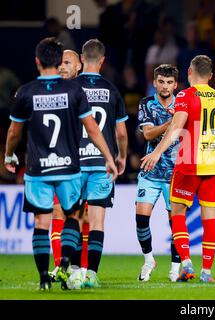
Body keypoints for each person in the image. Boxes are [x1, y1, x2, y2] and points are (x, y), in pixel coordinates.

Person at [4, 37, 117, 290]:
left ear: (36, 61)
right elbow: (93, 129)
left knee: (41, 222)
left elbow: (13, 132)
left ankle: (45, 277)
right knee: (74, 216)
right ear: (58, 63)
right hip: (68, 166)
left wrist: (9, 155)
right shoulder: (73, 91)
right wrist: (110, 157)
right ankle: (68, 261)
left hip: (37, 168)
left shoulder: (25, 92)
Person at [141, 55, 215, 283]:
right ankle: (206, 272)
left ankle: (186, 262)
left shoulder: (186, 95)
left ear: (189, 72)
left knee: (177, 214)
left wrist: (156, 153)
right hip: (212, 165)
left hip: (188, 163)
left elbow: (177, 128)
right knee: (210, 221)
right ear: (210, 75)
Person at [66, 39, 128, 289]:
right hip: (103, 163)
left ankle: (70, 268)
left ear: (82, 59)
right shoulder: (112, 90)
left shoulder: (70, 87)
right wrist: (121, 157)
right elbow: (121, 133)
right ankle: (91, 273)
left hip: (74, 161)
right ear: (102, 60)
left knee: (74, 216)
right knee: (97, 220)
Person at [135, 64, 181, 282]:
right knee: (141, 219)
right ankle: (148, 260)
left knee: (176, 224)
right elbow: (148, 134)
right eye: (161, 82)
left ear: (176, 85)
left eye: (169, 82)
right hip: (150, 171)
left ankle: (175, 267)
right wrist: (171, 122)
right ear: (155, 83)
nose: (165, 86)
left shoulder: (182, 103)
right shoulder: (146, 103)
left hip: (175, 173)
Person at [50, 49, 88, 281]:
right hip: (55, 163)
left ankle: (80, 268)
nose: (62, 66)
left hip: (83, 163)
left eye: (67, 62)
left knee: (81, 217)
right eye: (59, 63)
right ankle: (60, 266)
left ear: (79, 67)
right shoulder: (47, 91)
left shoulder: (83, 93)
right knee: (57, 213)